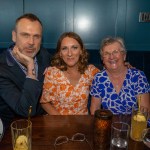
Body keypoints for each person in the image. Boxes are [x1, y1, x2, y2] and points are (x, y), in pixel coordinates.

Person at [0, 13, 51, 129]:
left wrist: (55, 70)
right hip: (15, 130)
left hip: (43, 123)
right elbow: (25, 110)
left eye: (36, 36)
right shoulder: (2, 69)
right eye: (25, 35)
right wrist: (30, 66)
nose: (31, 42)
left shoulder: (43, 54)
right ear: (14, 36)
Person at [40, 32, 100, 115]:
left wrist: (123, 66)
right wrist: (62, 122)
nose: (69, 53)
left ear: (81, 51)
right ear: (60, 53)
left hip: (83, 123)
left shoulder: (91, 71)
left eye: (74, 48)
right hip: (58, 122)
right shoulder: (52, 73)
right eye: (64, 48)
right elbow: (44, 102)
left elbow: (108, 76)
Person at [90, 37, 150, 115]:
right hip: (108, 124)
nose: (111, 57)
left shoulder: (138, 77)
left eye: (115, 52)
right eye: (107, 53)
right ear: (102, 59)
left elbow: (145, 111)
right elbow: (95, 109)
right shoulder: (99, 78)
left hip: (133, 124)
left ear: (124, 55)